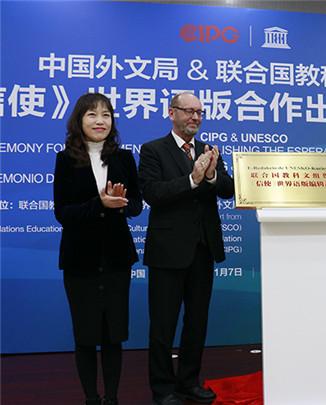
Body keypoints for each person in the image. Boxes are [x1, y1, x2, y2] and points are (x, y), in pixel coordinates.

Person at [138, 92, 234, 405]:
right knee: (162, 325)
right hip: (168, 251)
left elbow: (228, 190)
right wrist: (192, 180)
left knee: (197, 321)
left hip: (203, 249)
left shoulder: (209, 150)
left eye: (199, 112)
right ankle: (163, 389)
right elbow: (152, 193)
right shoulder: (153, 150)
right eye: (189, 111)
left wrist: (212, 175)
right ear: (172, 113)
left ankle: (188, 382)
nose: (195, 117)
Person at [53, 93, 142, 405]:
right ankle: (91, 399)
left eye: (106, 114)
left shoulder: (124, 158)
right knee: (86, 337)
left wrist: (121, 204)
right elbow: (62, 213)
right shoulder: (65, 159)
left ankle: (112, 398)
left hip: (117, 259)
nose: (100, 121)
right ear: (79, 120)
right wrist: (99, 203)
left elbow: (136, 206)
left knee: (113, 336)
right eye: (92, 114)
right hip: (80, 261)